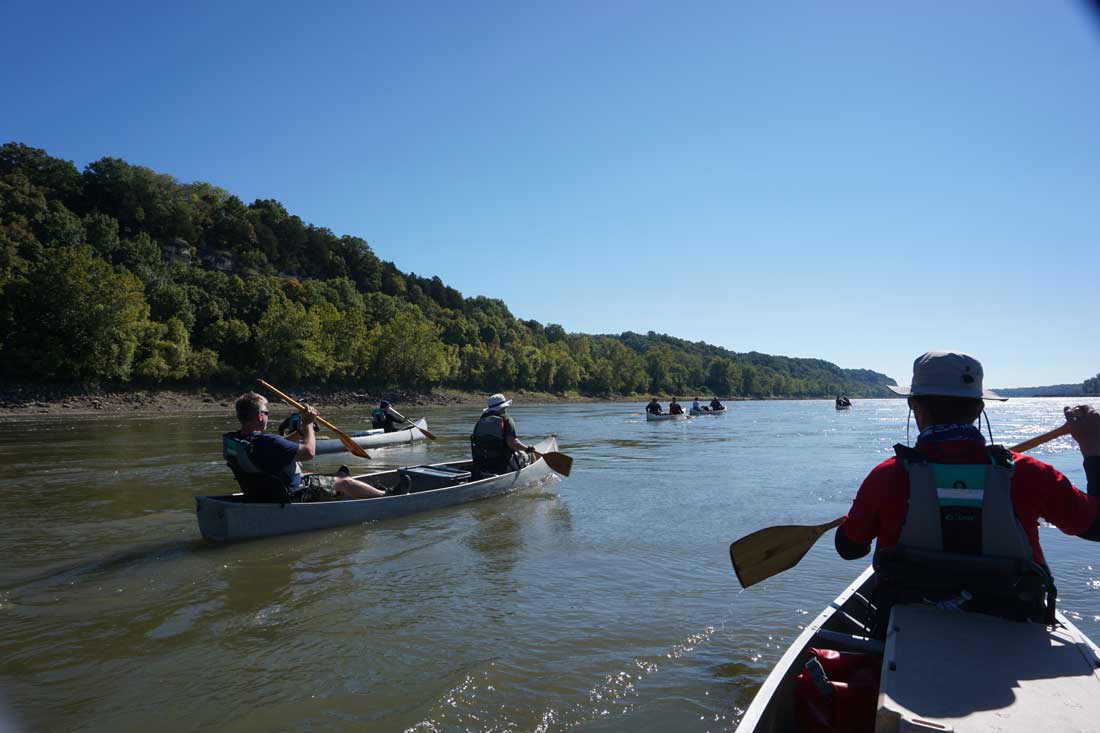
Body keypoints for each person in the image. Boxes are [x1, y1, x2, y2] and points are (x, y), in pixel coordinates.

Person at [835, 351, 1100, 623]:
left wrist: (860, 517)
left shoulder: (886, 476)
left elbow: (850, 549)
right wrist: (1093, 451)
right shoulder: (1031, 474)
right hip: (1014, 625)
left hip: (904, 627)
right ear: (978, 408)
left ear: (915, 406)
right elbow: (1096, 527)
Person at [223, 392, 386, 502]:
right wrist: (308, 424)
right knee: (345, 481)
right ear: (259, 416)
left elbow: (272, 448)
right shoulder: (268, 441)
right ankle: (386, 496)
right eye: (267, 413)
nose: (267, 416)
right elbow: (309, 452)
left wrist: (298, 434)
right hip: (290, 495)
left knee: (336, 474)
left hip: (260, 493)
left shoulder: (236, 440)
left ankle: (339, 491)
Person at [470, 393, 535, 478]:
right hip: (502, 464)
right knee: (527, 456)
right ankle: (530, 475)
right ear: (504, 407)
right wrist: (527, 449)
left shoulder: (482, 419)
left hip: (481, 463)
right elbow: (513, 443)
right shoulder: (507, 420)